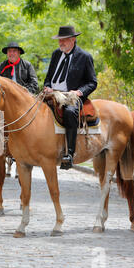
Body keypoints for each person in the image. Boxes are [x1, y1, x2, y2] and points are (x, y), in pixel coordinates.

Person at [43, 26, 97, 169]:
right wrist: (47, 86)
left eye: (64, 40)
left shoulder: (84, 57)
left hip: (71, 96)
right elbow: (48, 77)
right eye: (60, 40)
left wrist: (79, 92)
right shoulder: (56, 54)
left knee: (69, 112)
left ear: (73, 40)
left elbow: (92, 82)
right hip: (52, 94)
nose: (61, 43)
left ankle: (69, 154)